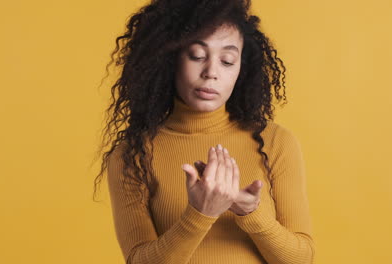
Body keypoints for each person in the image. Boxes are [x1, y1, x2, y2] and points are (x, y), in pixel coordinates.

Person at [93, 0, 316, 263]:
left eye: (227, 61)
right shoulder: (132, 155)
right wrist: (199, 213)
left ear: (241, 69)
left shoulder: (276, 142)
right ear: (169, 59)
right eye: (197, 56)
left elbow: (302, 259)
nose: (211, 72)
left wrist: (251, 212)